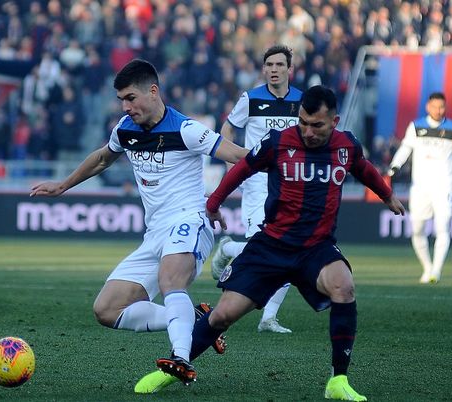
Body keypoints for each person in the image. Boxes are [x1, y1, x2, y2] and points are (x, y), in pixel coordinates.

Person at [139, 85, 405, 401]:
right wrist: (214, 204)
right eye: (303, 122)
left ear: (334, 121)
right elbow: (242, 168)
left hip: (315, 248)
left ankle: (338, 381)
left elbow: (363, 170)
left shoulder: (347, 147)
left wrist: (387, 195)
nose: (307, 131)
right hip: (270, 247)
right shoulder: (279, 141)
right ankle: (172, 366)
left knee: (344, 286)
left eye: (316, 125)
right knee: (223, 315)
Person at [30, 59, 248, 382]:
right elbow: (103, 158)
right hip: (155, 233)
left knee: (170, 280)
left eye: (130, 98)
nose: (125, 106)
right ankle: (195, 321)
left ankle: (182, 357)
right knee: (106, 309)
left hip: (190, 220)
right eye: (121, 100)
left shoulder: (186, 130)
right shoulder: (126, 130)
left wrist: (280, 162)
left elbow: (238, 156)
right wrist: (63, 185)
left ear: (153, 91)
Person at [210, 45, 303, 334]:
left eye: (279, 65)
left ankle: (268, 318)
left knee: (289, 247)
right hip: (258, 180)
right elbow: (228, 130)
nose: (274, 69)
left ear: (290, 69)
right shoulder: (250, 99)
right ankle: (228, 248)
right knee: (263, 243)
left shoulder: (302, 101)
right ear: (264, 69)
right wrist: (232, 164)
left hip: (290, 182)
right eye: (269, 65)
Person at [387, 92, 452, 284]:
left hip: (444, 187)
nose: (439, 110)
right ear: (428, 107)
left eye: (442, 107)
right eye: (435, 106)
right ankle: (427, 268)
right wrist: (394, 167)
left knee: (442, 228)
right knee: (418, 231)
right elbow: (405, 148)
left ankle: (436, 271)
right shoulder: (416, 126)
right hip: (420, 187)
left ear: (445, 108)